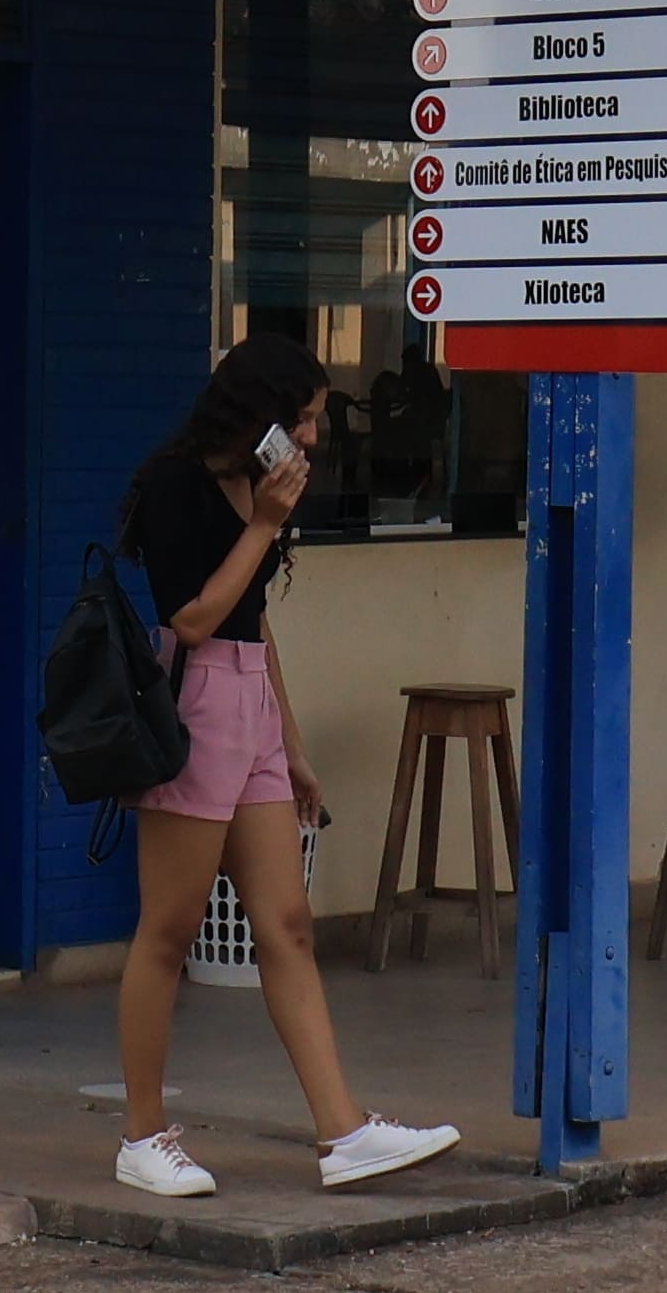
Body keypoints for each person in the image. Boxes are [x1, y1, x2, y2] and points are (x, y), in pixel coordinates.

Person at [110, 341, 458, 1199]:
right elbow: (193, 620)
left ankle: (343, 1130)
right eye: (300, 417)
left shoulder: (265, 492)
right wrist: (264, 523)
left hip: (250, 704)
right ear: (255, 415)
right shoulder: (174, 484)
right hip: (192, 706)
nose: (312, 435)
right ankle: (143, 1135)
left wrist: (290, 744)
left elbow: (256, 625)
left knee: (288, 922)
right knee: (170, 926)